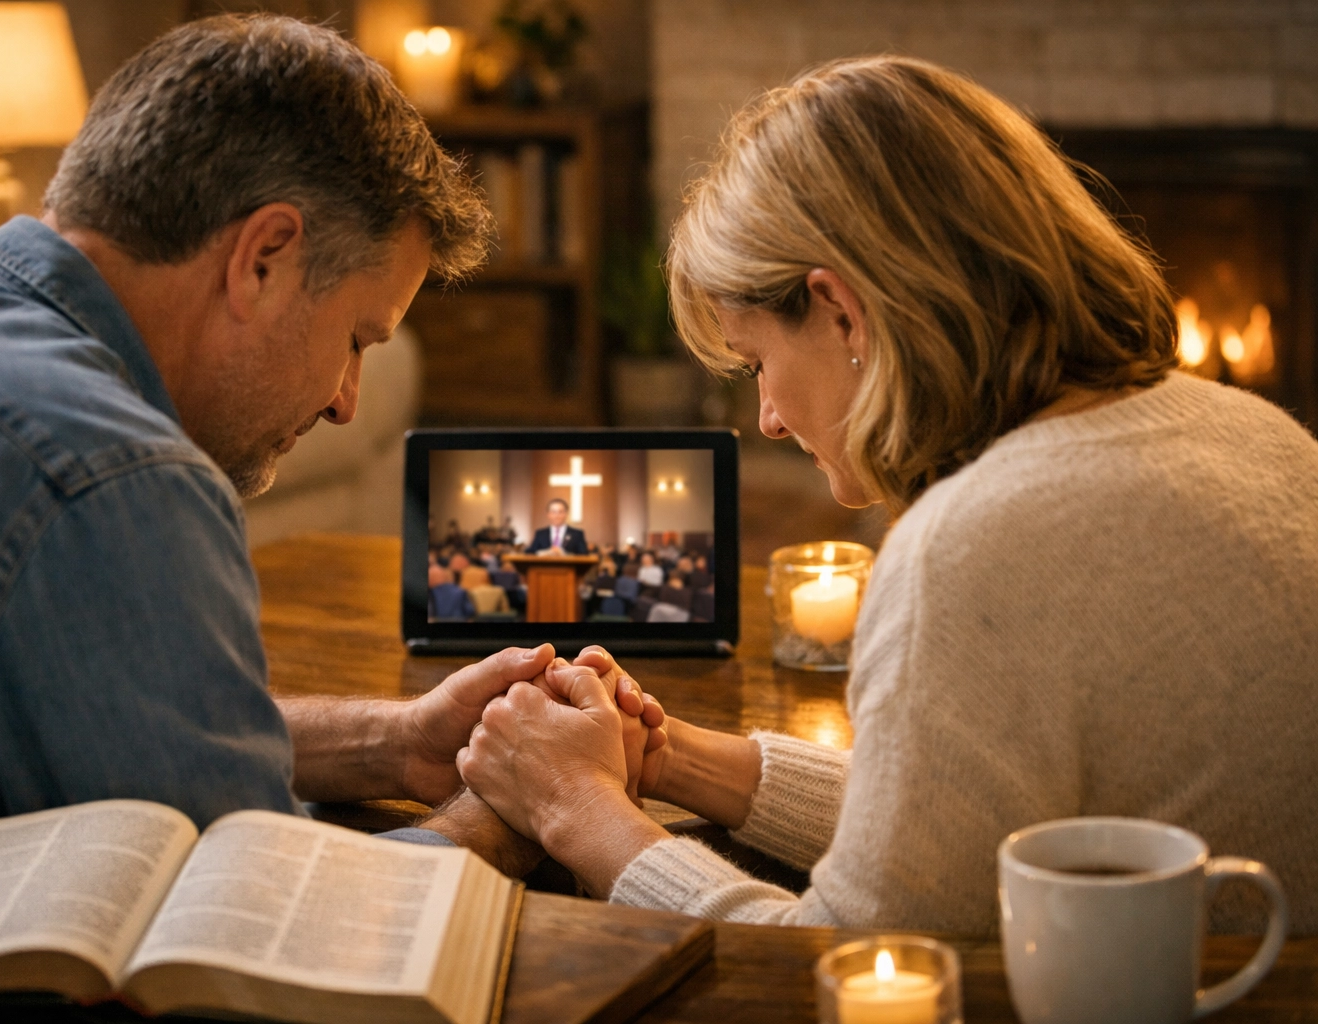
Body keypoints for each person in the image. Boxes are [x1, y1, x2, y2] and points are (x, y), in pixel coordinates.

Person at [0, 15, 664, 875]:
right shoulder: (112, 476)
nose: (347, 404)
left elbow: (112, 717)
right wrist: (527, 801)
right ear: (264, 259)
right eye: (358, 338)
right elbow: (250, 928)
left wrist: (391, 744)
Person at [458, 56, 1318, 935]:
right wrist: (670, 760)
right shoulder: (1254, 430)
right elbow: (956, 827)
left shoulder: (971, 545)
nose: (768, 419)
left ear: (841, 313)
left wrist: (578, 809)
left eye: (758, 363)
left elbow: (852, 968)